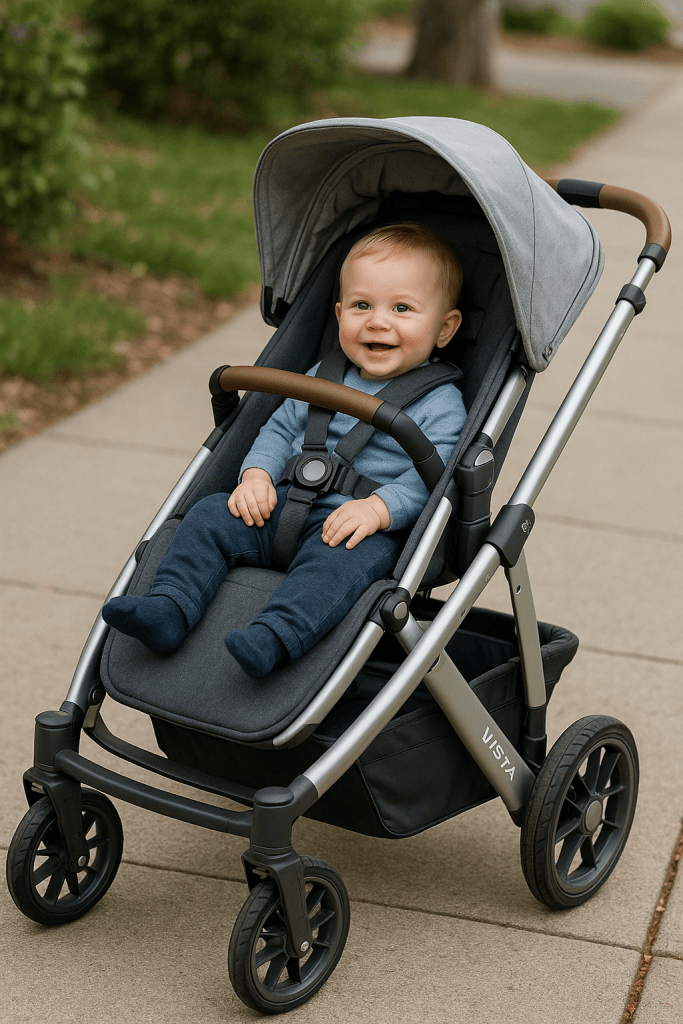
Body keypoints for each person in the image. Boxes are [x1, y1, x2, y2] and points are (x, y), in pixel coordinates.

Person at [102, 224, 468, 676]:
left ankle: (273, 637)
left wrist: (378, 509)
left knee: (339, 570)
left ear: (445, 328)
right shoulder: (323, 373)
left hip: (354, 530)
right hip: (279, 508)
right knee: (211, 514)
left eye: (402, 308)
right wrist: (256, 475)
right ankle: (169, 607)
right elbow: (278, 429)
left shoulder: (441, 403)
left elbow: (433, 476)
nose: (377, 320)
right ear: (338, 315)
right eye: (361, 305)